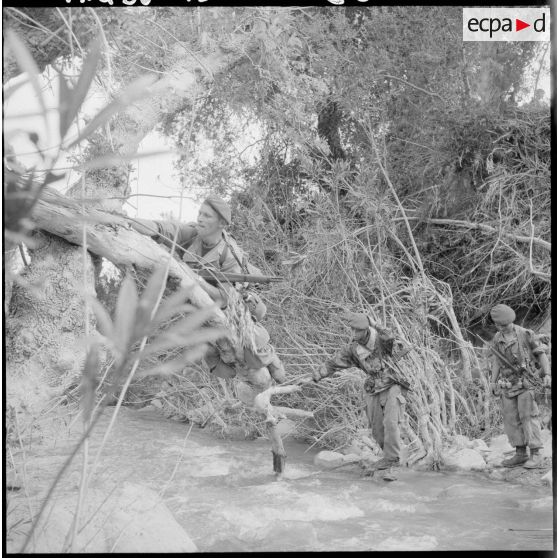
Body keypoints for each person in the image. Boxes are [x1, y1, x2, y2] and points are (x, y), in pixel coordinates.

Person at [129, 195, 285, 388]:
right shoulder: (192, 234)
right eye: (200, 213)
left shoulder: (229, 255)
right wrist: (127, 221)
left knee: (255, 351)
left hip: (232, 304)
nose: (200, 219)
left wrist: (199, 282)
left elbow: (225, 298)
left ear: (221, 223)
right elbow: (160, 228)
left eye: (207, 216)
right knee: (217, 355)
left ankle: (274, 369)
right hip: (201, 307)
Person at [312, 311, 408, 481]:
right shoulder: (353, 349)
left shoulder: (380, 339)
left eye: (358, 331)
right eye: (353, 330)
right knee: (377, 428)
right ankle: (387, 459)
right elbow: (334, 363)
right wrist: (318, 375)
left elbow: (391, 336)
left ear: (366, 330)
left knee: (391, 422)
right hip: (374, 387)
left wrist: (375, 324)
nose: (354, 334)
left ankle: (392, 460)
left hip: (393, 383)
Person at [488, 304, 551, 469]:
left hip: (526, 383)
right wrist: (493, 382)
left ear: (512, 321)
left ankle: (536, 453)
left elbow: (541, 354)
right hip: (507, 386)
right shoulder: (497, 338)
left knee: (528, 416)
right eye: (499, 325)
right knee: (511, 419)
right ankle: (520, 453)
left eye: (505, 325)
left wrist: (548, 374)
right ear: (495, 324)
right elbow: (496, 360)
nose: (503, 328)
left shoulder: (525, 334)